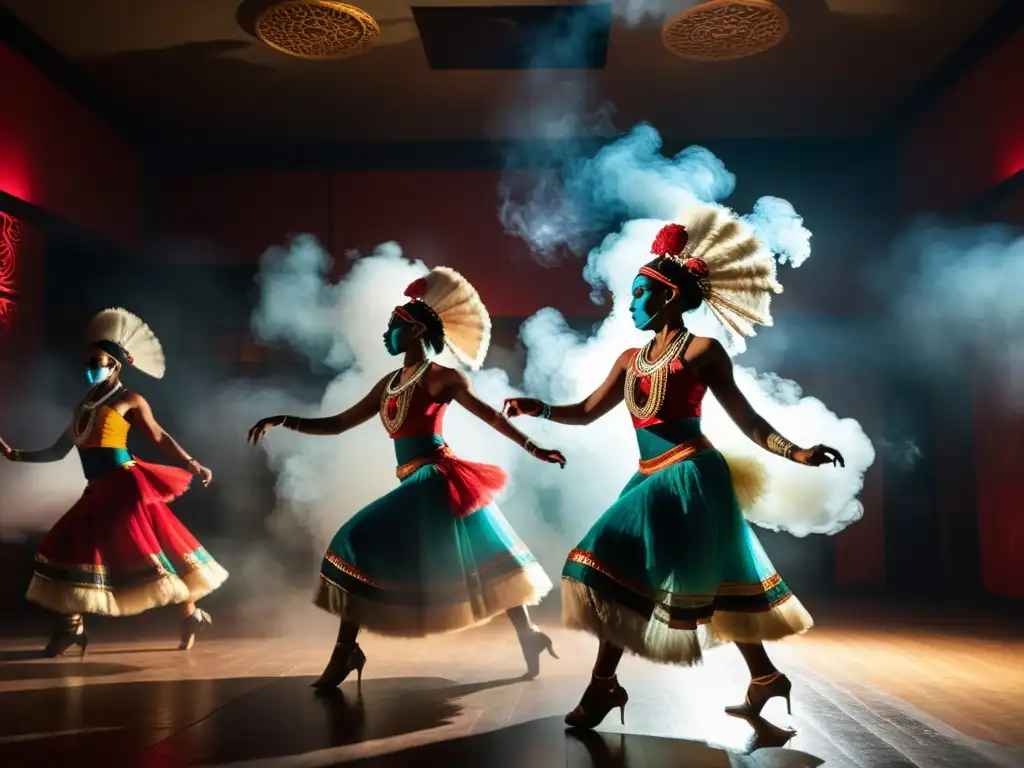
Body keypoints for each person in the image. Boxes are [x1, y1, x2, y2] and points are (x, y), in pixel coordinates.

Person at [503, 206, 845, 728]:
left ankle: (601, 687)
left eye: (640, 293)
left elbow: (746, 419)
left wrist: (796, 452)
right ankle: (764, 677)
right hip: (649, 478)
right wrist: (540, 408)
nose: (632, 303)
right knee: (715, 579)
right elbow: (588, 412)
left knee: (614, 567)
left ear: (666, 294)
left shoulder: (704, 351)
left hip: (690, 474)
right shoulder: (628, 360)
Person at [248, 267, 566, 688]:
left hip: (435, 477)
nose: (385, 334)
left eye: (393, 327)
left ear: (415, 331)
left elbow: (490, 417)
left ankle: (346, 651)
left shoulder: (442, 378)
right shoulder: (389, 383)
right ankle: (529, 635)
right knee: (485, 557)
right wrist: (285, 419)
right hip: (415, 480)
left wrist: (533, 447)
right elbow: (339, 423)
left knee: (357, 540)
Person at [0, 308, 225, 657]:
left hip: (124, 485)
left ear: (116, 365)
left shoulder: (129, 399)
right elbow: (59, 451)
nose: (92, 366)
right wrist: (15, 455)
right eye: (89, 360)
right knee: (69, 546)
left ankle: (186, 613)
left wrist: (191, 462)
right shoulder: (84, 405)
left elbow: (158, 436)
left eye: (99, 360)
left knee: (144, 555)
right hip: (97, 489)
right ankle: (73, 627)